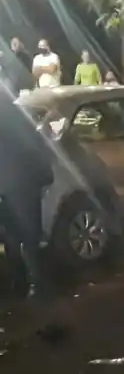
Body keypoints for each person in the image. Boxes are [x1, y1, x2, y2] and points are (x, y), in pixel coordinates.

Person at [0, 89, 54, 297]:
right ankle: (37, 284)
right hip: (24, 185)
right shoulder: (21, 118)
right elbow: (37, 148)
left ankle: (18, 281)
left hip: (4, 187)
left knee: (11, 236)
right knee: (30, 236)